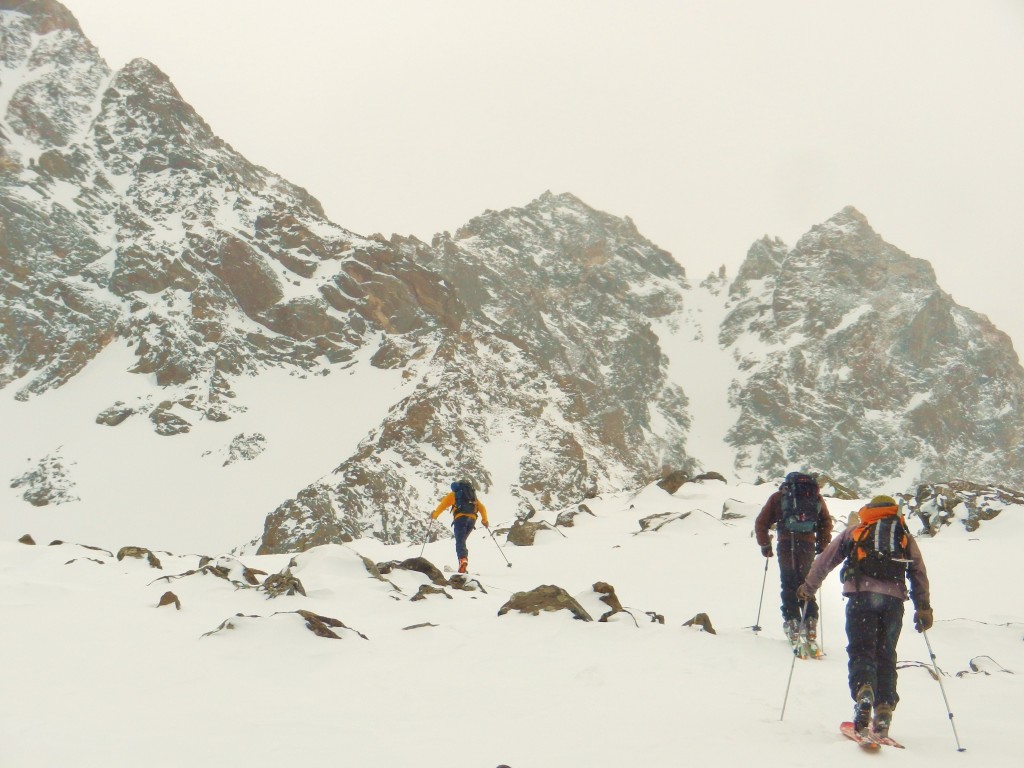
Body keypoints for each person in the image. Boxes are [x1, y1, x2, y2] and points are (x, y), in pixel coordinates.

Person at [797, 495, 932, 739]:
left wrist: (808, 588)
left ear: (869, 510)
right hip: (893, 603)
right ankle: (884, 709)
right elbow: (918, 571)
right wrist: (924, 607)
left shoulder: (857, 531)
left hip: (861, 598)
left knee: (861, 651)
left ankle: (864, 692)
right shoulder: (902, 534)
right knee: (886, 655)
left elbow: (825, 560)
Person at [754, 471, 833, 650]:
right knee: (807, 583)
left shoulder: (779, 497)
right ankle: (810, 622)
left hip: (786, 544)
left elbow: (761, 523)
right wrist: (822, 544)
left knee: (789, 583)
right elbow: (826, 522)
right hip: (808, 545)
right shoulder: (816, 497)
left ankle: (793, 622)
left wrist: (765, 545)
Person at [431, 479, 488, 573]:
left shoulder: (454, 494)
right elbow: (482, 508)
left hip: (460, 518)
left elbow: (443, 505)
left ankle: (463, 560)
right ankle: (463, 563)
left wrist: (435, 515)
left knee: (460, 541)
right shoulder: (472, 496)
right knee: (462, 541)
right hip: (472, 520)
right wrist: (485, 520)